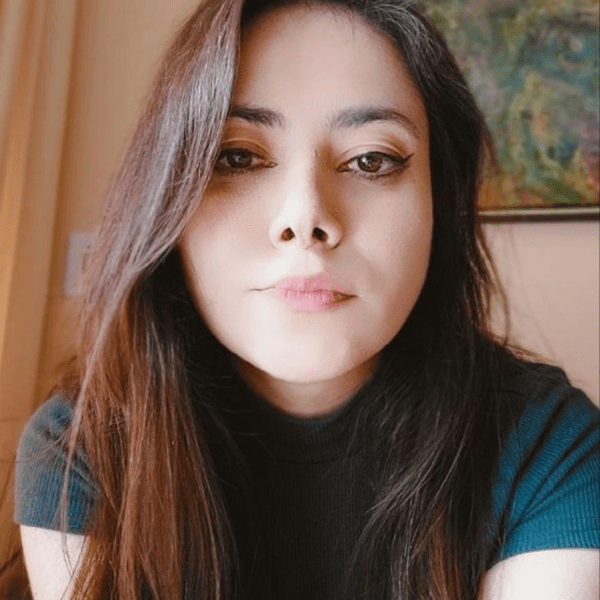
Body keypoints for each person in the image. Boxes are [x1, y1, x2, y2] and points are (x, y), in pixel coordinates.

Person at [12, 1, 599, 599]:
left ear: (439, 203)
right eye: (237, 157)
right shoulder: (83, 450)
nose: (305, 217)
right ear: (168, 199)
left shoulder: (548, 447)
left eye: (371, 160)